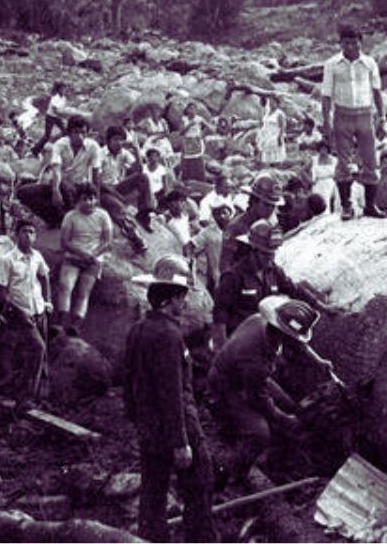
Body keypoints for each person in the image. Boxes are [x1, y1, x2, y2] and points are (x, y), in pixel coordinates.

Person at [125, 256, 218, 542]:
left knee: (153, 492)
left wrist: (138, 420)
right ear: (170, 299)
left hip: (149, 427)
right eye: (182, 297)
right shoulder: (168, 335)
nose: (186, 303)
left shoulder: (138, 329)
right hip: (177, 425)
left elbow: (128, 383)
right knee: (201, 483)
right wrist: (181, 442)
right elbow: (172, 393)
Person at [208, 295, 319, 483]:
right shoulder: (255, 359)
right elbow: (258, 399)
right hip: (227, 387)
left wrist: (318, 361)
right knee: (260, 433)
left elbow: (296, 343)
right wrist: (284, 419)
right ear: (281, 332)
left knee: (289, 403)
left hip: (245, 377)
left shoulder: (262, 322)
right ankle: (230, 473)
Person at [321, 24, 386, 221]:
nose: (350, 47)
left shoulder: (369, 63)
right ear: (340, 43)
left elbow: (377, 92)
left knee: (370, 160)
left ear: (360, 42)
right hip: (342, 115)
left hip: (365, 115)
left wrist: (382, 118)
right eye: (346, 42)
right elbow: (326, 95)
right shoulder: (332, 64)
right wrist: (327, 122)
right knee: (343, 162)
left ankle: (370, 205)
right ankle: (347, 205)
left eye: (354, 42)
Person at [0, 219, 50, 409]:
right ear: (16, 235)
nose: (29, 236)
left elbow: (44, 276)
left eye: (32, 232)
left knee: (38, 353)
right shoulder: (7, 260)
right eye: (25, 231)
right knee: (37, 348)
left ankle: (38, 394)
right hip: (19, 314)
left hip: (39, 311)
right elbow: (0, 293)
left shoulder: (37, 256)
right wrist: (18, 313)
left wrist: (47, 301)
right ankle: (26, 397)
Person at [17, 115, 101, 228]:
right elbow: (56, 169)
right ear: (69, 133)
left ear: (87, 133)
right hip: (59, 185)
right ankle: (54, 219)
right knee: (23, 192)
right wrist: (55, 191)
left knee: (65, 185)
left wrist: (96, 199)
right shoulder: (60, 144)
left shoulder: (93, 146)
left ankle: (75, 222)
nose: (80, 136)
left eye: (83, 133)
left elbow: (96, 173)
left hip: (80, 188)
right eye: (76, 132)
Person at [57, 184, 113, 335]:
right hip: (73, 256)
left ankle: (76, 324)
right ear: (78, 200)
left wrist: (93, 255)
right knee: (65, 286)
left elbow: (107, 242)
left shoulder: (103, 215)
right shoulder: (70, 216)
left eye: (93, 198)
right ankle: (61, 322)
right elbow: (65, 242)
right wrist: (82, 253)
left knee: (83, 291)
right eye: (86, 199)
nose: (90, 202)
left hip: (93, 260)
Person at [97, 125, 155, 233]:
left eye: (121, 140)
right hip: (104, 191)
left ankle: (144, 213)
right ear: (108, 140)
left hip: (118, 186)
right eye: (115, 139)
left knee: (143, 177)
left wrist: (136, 149)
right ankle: (129, 231)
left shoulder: (123, 152)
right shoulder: (100, 154)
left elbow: (139, 169)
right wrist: (117, 195)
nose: (119, 143)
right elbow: (98, 181)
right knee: (118, 206)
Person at [220, 172, 283, 271]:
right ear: (254, 201)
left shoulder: (270, 226)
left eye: (273, 206)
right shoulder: (236, 227)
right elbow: (224, 264)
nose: (270, 210)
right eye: (266, 204)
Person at [186, 204, 232, 296]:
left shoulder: (233, 230)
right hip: (213, 272)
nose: (223, 216)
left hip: (229, 272)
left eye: (225, 214)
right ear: (215, 216)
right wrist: (190, 262)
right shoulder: (208, 232)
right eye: (219, 214)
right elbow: (190, 245)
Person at [31, 82, 71, 157]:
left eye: (65, 89)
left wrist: (65, 115)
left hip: (57, 117)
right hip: (50, 117)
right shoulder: (55, 98)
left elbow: (62, 109)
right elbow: (56, 110)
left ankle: (59, 147)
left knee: (65, 132)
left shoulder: (63, 98)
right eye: (62, 89)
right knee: (47, 136)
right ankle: (35, 150)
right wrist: (65, 115)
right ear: (58, 89)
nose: (64, 90)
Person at [178, 104, 207, 182]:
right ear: (187, 110)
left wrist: (202, 134)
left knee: (198, 160)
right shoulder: (184, 119)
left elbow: (209, 127)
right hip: (187, 142)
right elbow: (181, 132)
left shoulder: (199, 119)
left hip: (196, 142)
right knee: (187, 161)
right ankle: (186, 180)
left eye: (194, 109)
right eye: (190, 108)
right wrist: (190, 125)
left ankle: (200, 181)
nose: (192, 110)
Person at [257, 95, 287, 166]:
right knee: (266, 153)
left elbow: (282, 126)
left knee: (275, 154)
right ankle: (267, 166)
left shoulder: (279, 114)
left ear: (277, 103)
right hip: (266, 134)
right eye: (270, 102)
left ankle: (276, 166)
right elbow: (263, 123)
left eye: (273, 102)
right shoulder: (267, 113)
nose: (271, 103)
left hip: (274, 134)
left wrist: (280, 136)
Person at [310, 140, 338, 213]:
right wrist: (310, 180)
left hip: (330, 182)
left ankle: (327, 215)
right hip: (318, 182)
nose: (323, 151)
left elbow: (340, 170)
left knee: (327, 197)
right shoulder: (314, 159)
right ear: (318, 149)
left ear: (328, 149)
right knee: (316, 199)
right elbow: (302, 171)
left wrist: (336, 177)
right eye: (321, 149)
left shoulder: (334, 160)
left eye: (325, 149)